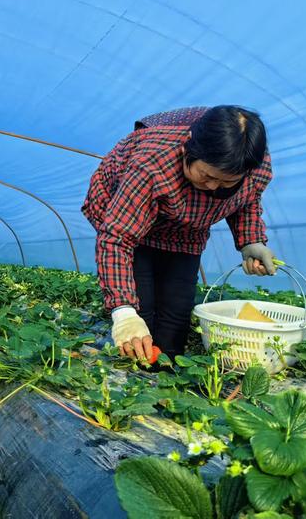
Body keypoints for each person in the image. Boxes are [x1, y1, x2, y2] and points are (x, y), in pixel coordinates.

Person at [81, 106, 275, 361]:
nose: (213, 187)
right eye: (206, 176)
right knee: (142, 310)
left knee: (177, 311)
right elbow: (117, 238)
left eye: (226, 182)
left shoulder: (253, 166)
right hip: (130, 219)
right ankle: (138, 382)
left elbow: (247, 199)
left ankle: (168, 376)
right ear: (187, 151)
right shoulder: (152, 164)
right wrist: (124, 313)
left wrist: (251, 241)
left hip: (187, 231)